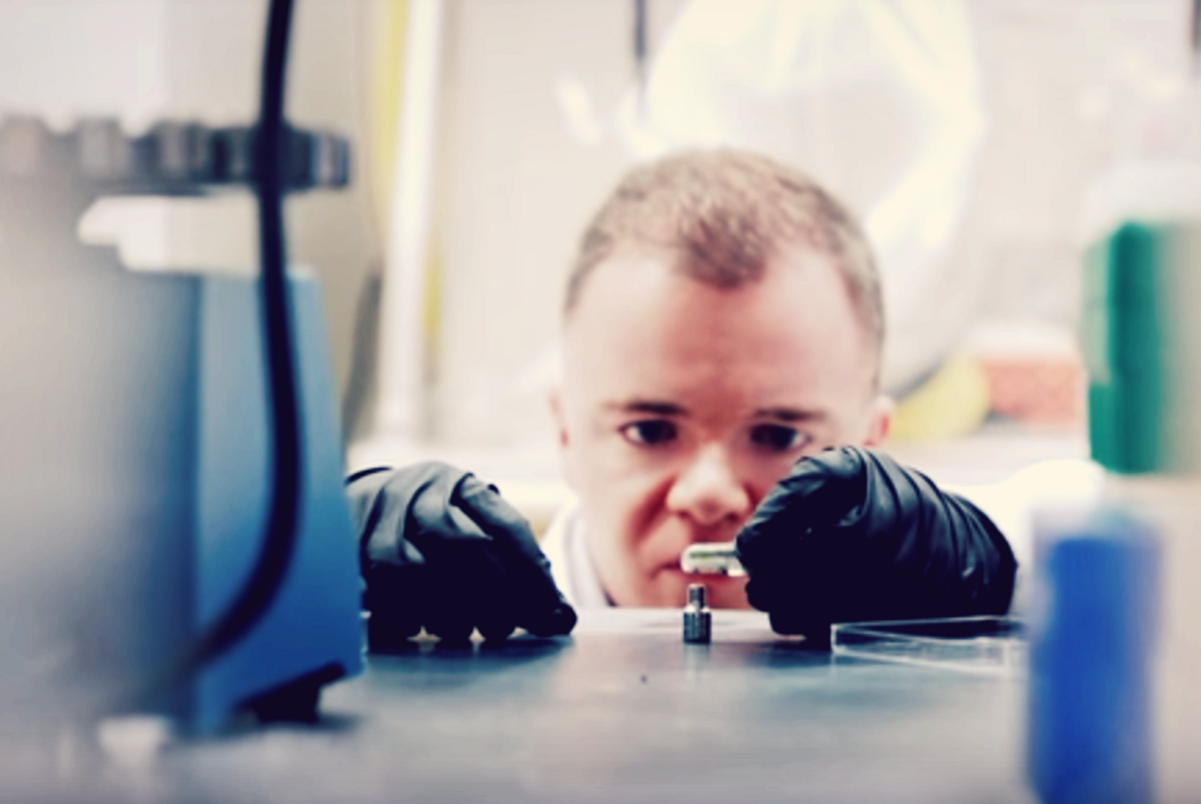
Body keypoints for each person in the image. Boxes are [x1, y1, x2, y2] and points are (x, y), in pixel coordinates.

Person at [348, 149, 1015, 648]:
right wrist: (307, 565)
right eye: (649, 429)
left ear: (870, 440)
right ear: (565, 434)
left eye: (779, 434)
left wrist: (997, 573)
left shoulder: (953, 592)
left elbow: (1102, 519)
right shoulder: (438, 626)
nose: (708, 493)